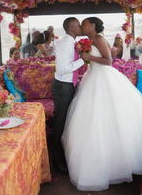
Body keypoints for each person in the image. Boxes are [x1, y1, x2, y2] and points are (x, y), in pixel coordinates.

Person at [62, 17, 142, 191]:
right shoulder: (88, 40)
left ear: (93, 25)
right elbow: (93, 59)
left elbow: (108, 61)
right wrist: (86, 58)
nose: (82, 25)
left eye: (85, 23)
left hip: (104, 77)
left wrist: (89, 57)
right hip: (92, 77)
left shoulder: (99, 38)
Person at [52, 17, 84, 174]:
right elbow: (63, 69)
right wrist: (83, 61)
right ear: (72, 28)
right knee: (60, 122)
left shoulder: (70, 41)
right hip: (63, 86)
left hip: (67, 85)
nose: (80, 28)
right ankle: (57, 159)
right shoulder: (65, 42)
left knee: (66, 120)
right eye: (78, 25)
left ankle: (63, 154)